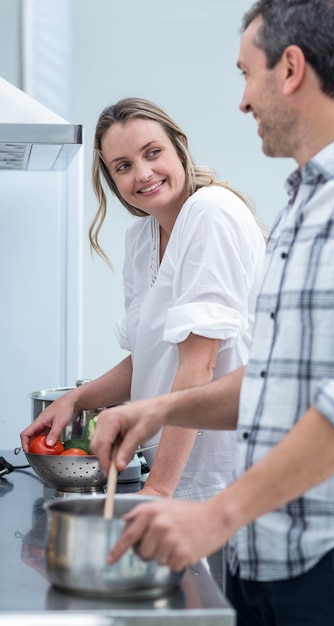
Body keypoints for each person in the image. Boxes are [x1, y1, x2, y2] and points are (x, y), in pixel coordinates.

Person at [88, 1, 334, 625]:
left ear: (290, 69)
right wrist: (151, 408)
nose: (242, 101)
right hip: (264, 561)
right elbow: (273, 386)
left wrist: (215, 513)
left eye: (246, 74)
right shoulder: (300, 207)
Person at [20, 97, 266, 591]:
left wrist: (157, 493)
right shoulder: (142, 236)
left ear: (180, 148)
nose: (143, 173)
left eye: (153, 152)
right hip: (182, 477)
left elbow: (198, 365)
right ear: (113, 181)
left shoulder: (210, 213)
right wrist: (77, 397)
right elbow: (152, 357)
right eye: (124, 166)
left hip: (228, 482)